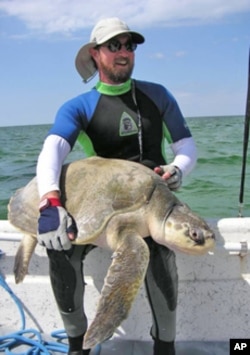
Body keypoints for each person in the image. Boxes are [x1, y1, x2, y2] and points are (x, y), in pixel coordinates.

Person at [36, 17, 197, 355]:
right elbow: (52, 150)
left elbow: (185, 145)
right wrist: (50, 202)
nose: (124, 52)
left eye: (129, 45)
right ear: (95, 54)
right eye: (114, 45)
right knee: (59, 248)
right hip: (100, 210)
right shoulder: (79, 106)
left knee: (159, 253)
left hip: (153, 206)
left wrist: (177, 169)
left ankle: (164, 347)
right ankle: (78, 344)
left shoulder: (158, 95)